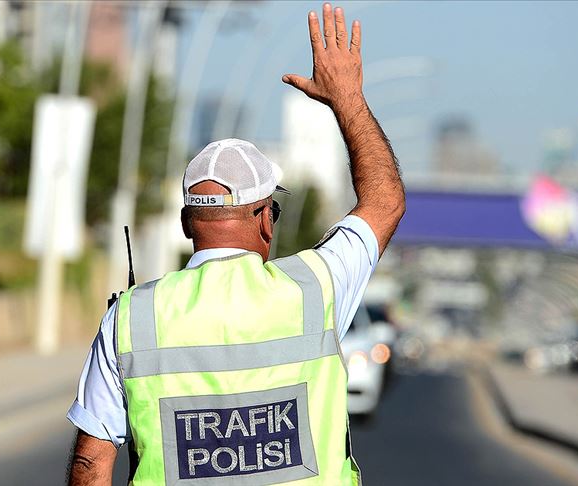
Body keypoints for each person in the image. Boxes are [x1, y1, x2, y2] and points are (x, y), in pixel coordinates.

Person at [66, 3, 404, 484]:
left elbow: (91, 461)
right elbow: (385, 202)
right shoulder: (317, 287)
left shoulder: (131, 319)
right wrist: (347, 97)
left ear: (187, 223)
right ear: (267, 218)